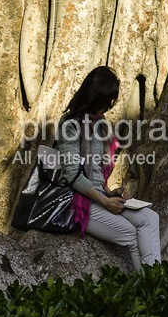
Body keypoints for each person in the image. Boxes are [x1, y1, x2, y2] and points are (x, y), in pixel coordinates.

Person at [54, 66, 161, 271]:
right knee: (130, 233)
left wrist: (111, 193)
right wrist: (105, 202)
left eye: (110, 102)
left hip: (99, 196)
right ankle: (149, 284)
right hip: (79, 202)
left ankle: (155, 280)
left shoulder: (100, 124)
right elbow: (72, 174)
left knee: (150, 218)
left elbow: (95, 171)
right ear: (94, 96)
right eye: (105, 101)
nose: (108, 107)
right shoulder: (70, 124)